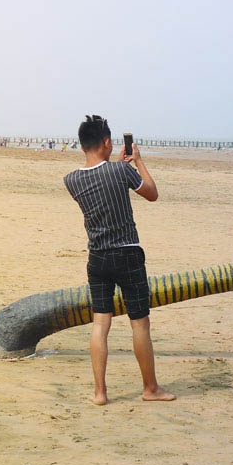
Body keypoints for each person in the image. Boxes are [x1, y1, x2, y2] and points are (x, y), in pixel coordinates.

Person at [64, 115, 174, 406]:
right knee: (139, 323)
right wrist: (137, 162)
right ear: (106, 142)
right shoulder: (119, 172)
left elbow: (102, 181)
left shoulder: (72, 180)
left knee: (101, 323)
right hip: (127, 253)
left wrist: (120, 168)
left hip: (97, 257)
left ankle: (100, 392)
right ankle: (150, 388)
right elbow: (152, 193)